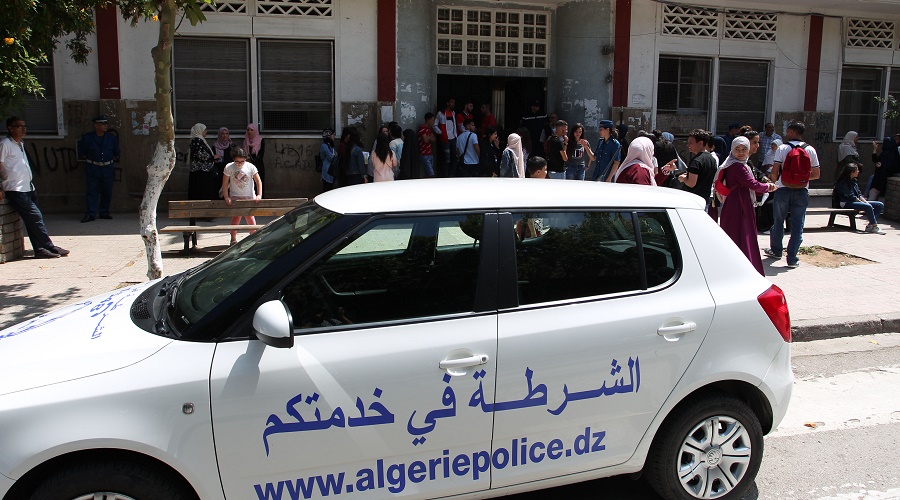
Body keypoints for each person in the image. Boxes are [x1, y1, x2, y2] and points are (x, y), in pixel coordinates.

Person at [0, 116, 69, 258]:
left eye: (24, 126)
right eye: (19, 126)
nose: (23, 129)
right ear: (10, 128)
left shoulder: (20, 143)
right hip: (15, 189)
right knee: (36, 216)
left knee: (32, 220)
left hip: (28, 187)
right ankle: (49, 246)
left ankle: (39, 249)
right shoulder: (5, 144)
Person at [717, 136, 778, 275]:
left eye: (744, 149)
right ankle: (746, 269)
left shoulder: (736, 164)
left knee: (737, 234)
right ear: (732, 150)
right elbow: (753, 184)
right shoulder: (738, 166)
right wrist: (768, 187)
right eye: (737, 149)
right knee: (743, 234)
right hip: (739, 205)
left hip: (737, 203)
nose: (740, 152)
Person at [765, 122, 821, 269]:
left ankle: (776, 251)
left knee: (778, 222)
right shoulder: (810, 150)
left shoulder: (782, 148)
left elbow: (775, 172)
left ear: (790, 132)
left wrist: (775, 182)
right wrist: (800, 178)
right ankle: (792, 259)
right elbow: (816, 174)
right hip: (802, 191)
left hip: (783, 189)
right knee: (798, 225)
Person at [78, 114, 120, 223]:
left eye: (106, 123)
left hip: (107, 168)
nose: (105, 126)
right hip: (93, 167)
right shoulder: (88, 138)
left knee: (107, 191)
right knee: (92, 191)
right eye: (102, 123)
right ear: (96, 125)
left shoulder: (111, 139)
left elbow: (117, 153)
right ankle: (91, 213)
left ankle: (104, 212)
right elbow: (82, 153)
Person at [184, 123, 218, 251]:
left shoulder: (199, 140)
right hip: (200, 173)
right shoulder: (196, 141)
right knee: (202, 192)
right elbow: (202, 155)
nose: (206, 132)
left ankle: (205, 213)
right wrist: (212, 157)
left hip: (203, 172)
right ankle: (202, 213)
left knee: (205, 191)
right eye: (205, 130)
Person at [221, 148, 262, 245]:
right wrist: (226, 197)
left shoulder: (250, 167)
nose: (239, 164)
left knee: (250, 218)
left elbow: (258, 181)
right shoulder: (229, 167)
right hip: (235, 196)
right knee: (236, 217)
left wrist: (259, 195)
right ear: (233, 159)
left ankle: (254, 238)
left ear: (246, 159)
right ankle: (233, 239)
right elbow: (225, 183)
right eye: (237, 161)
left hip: (249, 196)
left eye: (242, 161)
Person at [833, 163, 886, 234]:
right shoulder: (842, 183)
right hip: (845, 203)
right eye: (857, 170)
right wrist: (864, 203)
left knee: (879, 205)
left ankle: (870, 226)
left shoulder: (854, 181)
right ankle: (875, 226)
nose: (858, 171)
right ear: (852, 172)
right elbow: (850, 197)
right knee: (867, 206)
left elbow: (859, 194)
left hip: (855, 202)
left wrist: (865, 202)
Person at [677, 129, 718, 207]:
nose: (688, 145)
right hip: (705, 199)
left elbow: (691, 183)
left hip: (694, 201)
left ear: (700, 143)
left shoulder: (696, 161)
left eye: (690, 143)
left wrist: (683, 178)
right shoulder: (711, 158)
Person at [869, 136, 898, 201]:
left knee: (872, 197)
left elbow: (875, 160)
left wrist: (874, 149)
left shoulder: (885, 154)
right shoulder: (895, 154)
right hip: (887, 180)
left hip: (878, 180)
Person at [434, 99, 457, 177]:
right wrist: (441, 133)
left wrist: (455, 135)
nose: (453, 104)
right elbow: (435, 125)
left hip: (453, 138)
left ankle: (451, 175)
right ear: (447, 103)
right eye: (451, 102)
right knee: (446, 159)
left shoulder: (453, 113)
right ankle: (446, 176)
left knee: (454, 157)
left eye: (454, 102)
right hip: (445, 139)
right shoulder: (441, 114)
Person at [244, 123, 265, 191]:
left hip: (258, 165)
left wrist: (253, 161)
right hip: (248, 166)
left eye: (252, 130)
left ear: (255, 131)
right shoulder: (245, 141)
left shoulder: (261, 140)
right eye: (248, 130)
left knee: (259, 183)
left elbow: (261, 154)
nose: (249, 132)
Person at [417, 113, 436, 178]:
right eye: (432, 120)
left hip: (430, 153)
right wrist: (429, 138)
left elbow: (433, 139)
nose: (433, 122)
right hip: (424, 153)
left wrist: (429, 138)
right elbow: (425, 140)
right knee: (431, 173)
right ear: (428, 119)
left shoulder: (429, 129)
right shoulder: (422, 128)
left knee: (428, 172)